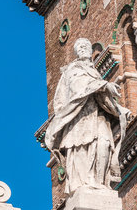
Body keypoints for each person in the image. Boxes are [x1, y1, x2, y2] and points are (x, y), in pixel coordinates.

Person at [45, 38, 130, 194]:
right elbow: (79, 86)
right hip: (79, 118)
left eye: (85, 46)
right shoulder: (73, 69)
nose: (82, 48)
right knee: (81, 148)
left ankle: (100, 182)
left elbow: (102, 98)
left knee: (104, 143)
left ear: (91, 51)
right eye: (79, 47)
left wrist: (118, 110)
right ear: (76, 53)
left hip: (97, 116)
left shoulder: (93, 72)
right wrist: (104, 85)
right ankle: (85, 182)